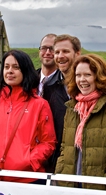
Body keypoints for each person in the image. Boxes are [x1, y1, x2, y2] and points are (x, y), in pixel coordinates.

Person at [55, 54, 106, 190]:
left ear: (99, 77)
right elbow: (64, 148)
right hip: (69, 187)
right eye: (78, 75)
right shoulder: (72, 108)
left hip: (100, 191)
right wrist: (60, 174)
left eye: (87, 74)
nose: (82, 80)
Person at [0, 50, 56, 183]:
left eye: (16, 67)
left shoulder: (39, 105)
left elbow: (48, 142)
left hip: (27, 180)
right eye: (6, 67)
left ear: (26, 70)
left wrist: (29, 160)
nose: (10, 71)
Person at [40, 34, 82, 173]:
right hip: (60, 159)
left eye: (65, 51)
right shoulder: (49, 88)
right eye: (57, 52)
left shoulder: (91, 85)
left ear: (77, 53)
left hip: (88, 157)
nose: (60, 56)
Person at [37, 33, 70, 173]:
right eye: (44, 48)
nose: (48, 53)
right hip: (32, 155)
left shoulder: (68, 85)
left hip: (58, 153)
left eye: (52, 49)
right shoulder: (29, 80)